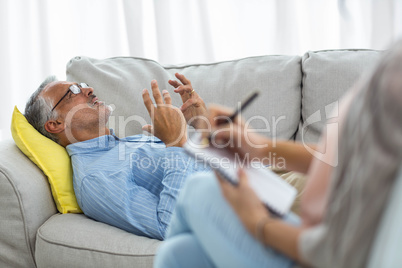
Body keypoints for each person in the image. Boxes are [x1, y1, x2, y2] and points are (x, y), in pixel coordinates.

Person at [154, 41, 402, 267]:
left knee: (200, 189)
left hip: (321, 253)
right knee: (177, 254)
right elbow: (356, 160)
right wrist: (262, 148)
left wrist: (261, 224)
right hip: (311, 228)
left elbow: (338, 251)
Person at [24, 73, 208, 240]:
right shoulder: (94, 179)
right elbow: (168, 227)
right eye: (72, 91)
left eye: (82, 84)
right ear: (56, 124)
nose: (89, 89)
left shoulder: (124, 144)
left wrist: (203, 127)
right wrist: (176, 143)